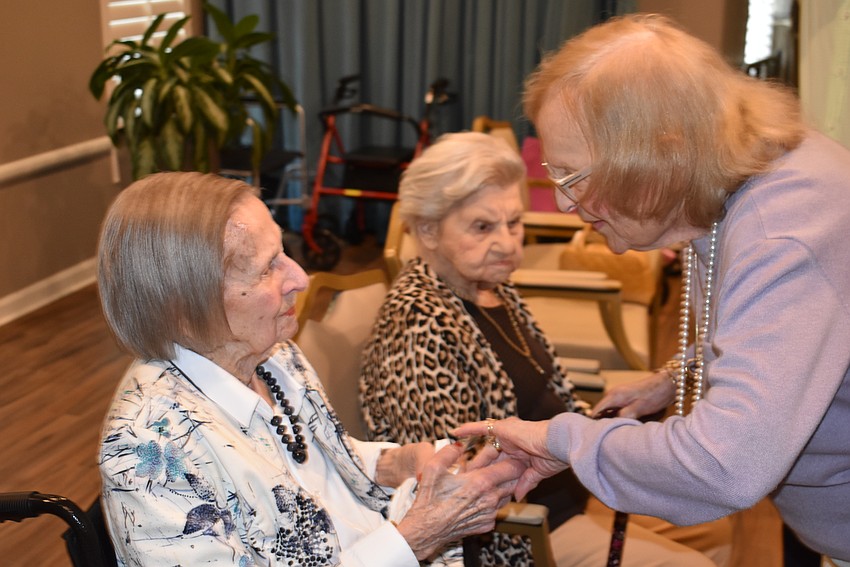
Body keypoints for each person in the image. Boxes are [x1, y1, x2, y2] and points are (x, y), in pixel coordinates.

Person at [454, 13, 850, 566]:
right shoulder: (729, 178)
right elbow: (790, 333)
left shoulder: (782, 230)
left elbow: (721, 467)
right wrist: (676, 378)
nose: (564, 204)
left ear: (660, 156)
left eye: (574, 176)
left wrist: (559, 440)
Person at [96, 171, 525, 567]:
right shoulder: (147, 450)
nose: (300, 277)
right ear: (187, 307)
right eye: (268, 267)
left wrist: (391, 463)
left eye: (285, 252)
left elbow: (308, 465)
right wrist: (413, 539)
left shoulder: (271, 353)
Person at [360, 131, 731, 566]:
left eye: (513, 223)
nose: (505, 242)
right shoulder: (419, 323)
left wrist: (597, 433)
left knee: (712, 523)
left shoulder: (490, 289)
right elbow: (449, 477)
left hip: (571, 486)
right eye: (482, 227)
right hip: (523, 528)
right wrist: (583, 448)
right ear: (428, 229)